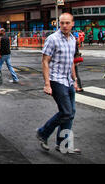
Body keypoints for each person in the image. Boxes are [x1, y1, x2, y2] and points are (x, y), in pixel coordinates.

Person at [36, 13, 81, 155]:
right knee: (67, 112)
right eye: (62, 23)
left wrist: (75, 80)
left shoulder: (73, 39)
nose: (64, 25)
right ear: (58, 24)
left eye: (67, 23)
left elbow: (71, 62)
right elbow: (44, 61)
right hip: (56, 80)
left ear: (72, 24)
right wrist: (47, 84)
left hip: (68, 80)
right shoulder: (52, 39)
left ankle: (63, 145)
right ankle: (43, 132)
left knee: (70, 113)